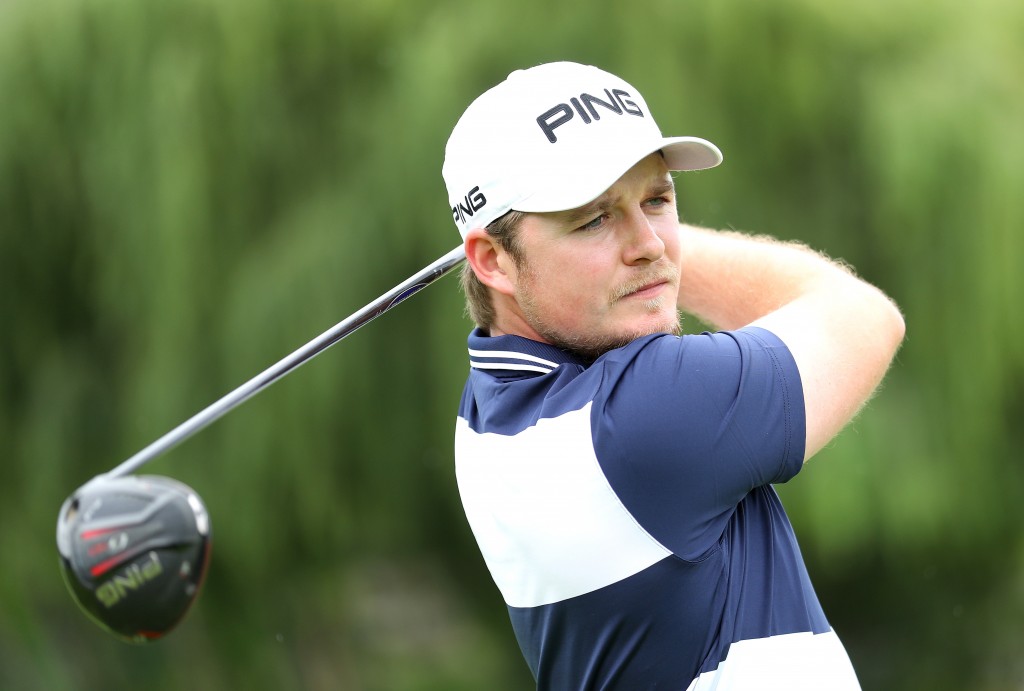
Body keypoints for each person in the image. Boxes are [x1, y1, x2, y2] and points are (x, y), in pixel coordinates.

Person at [442, 61, 905, 690]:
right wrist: (653, 240)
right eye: (593, 219)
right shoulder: (642, 415)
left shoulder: (486, 417)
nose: (653, 243)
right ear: (492, 260)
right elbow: (865, 316)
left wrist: (613, 237)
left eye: (658, 199)